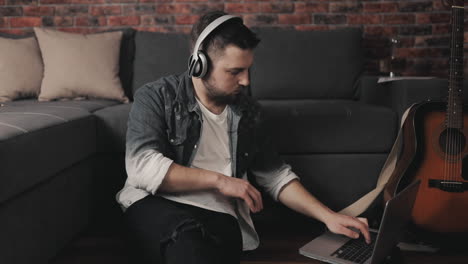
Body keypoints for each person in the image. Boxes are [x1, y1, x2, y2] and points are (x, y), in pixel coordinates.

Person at [117, 11, 370, 264]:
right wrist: (221, 182)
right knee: (186, 239)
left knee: (214, 245)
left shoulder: (248, 112)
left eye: (248, 70)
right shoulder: (157, 96)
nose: (246, 81)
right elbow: (142, 167)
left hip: (216, 213)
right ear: (199, 64)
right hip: (155, 203)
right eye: (235, 71)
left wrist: (329, 217)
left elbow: (275, 176)